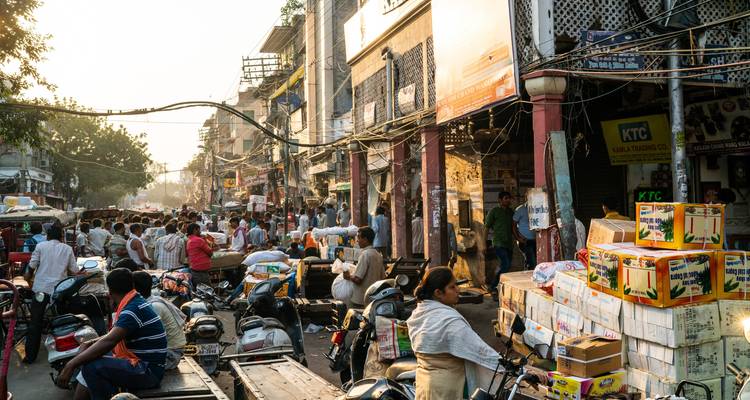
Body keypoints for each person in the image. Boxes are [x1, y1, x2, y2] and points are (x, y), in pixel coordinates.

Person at [55, 268, 167, 400]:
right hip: (145, 365)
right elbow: (112, 336)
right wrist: (90, 343)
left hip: (148, 372)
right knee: (91, 358)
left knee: (93, 367)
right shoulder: (135, 301)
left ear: (110, 291)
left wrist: (71, 365)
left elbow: (110, 341)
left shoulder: (132, 310)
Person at [407, 267, 500, 400]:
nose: (458, 289)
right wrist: (509, 366)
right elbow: (480, 351)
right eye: (452, 287)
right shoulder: (449, 322)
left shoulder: (418, 314)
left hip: (424, 385)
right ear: (438, 293)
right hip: (448, 389)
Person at [23, 224, 79, 363]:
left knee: (35, 322)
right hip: (59, 291)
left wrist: (27, 279)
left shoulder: (41, 246)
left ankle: (30, 357)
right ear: (61, 236)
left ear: (47, 236)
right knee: (62, 321)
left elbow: (31, 266)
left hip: (41, 289)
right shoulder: (67, 249)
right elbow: (74, 270)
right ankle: (65, 353)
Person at [133, 271, 186, 370]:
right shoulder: (151, 301)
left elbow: (148, 337)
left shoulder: (153, 307)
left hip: (170, 355)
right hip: (169, 352)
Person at [343, 227, 385, 307]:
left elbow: (358, 279)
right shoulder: (378, 254)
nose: (357, 240)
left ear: (365, 239)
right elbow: (383, 277)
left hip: (361, 300)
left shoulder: (365, 255)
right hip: (374, 298)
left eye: (359, 237)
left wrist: (348, 276)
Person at [486, 192, 514, 297]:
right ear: (500, 200)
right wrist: (485, 243)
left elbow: (514, 227)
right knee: (505, 264)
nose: (508, 200)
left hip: (509, 244)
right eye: (506, 198)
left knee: (505, 266)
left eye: (509, 198)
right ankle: (493, 286)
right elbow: (486, 227)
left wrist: (519, 238)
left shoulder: (511, 212)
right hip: (498, 243)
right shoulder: (494, 211)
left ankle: (499, 288)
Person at [186, 223, 214, 287]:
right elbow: (210, 252)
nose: (200, 231)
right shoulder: (198, 240)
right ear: (195, 230)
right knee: (206, 290)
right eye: (199, 230)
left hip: (195, 269)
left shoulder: (189, 240)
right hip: (201, 271)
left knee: (200, 289)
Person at [512, 202, 536, 270]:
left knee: (536, 261)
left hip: (537, 240)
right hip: (526, 240)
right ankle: (528, 278)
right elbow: (513, 225)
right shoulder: (520, 209)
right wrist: (518, 238)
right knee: (531, 262)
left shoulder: (538, 207)